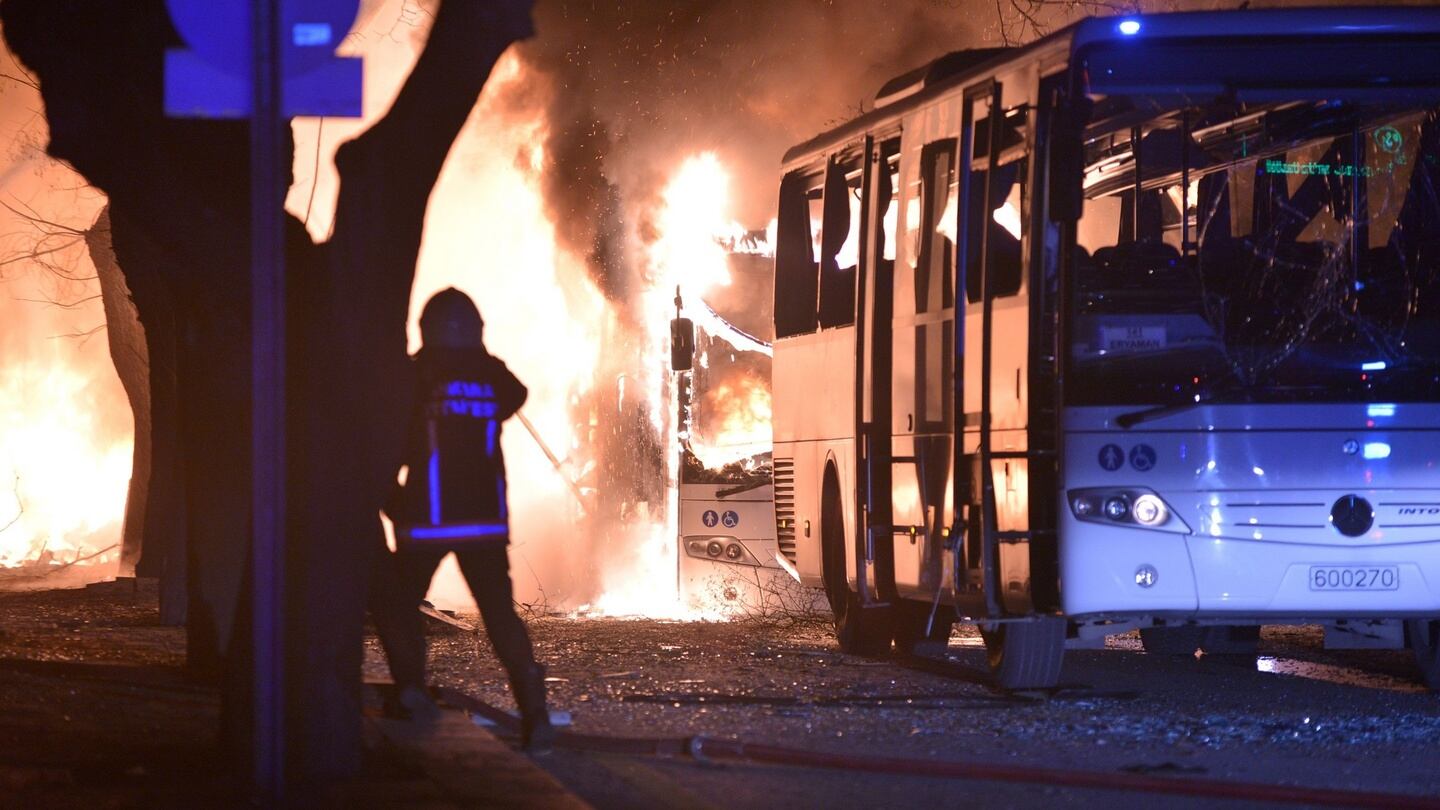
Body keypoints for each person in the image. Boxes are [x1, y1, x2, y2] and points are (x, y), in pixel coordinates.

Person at [372, 287, 556, 753]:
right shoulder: (491, 377)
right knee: (500, 616)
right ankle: (536, 716)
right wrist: (477, 363)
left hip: (426, 520)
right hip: (483, 523)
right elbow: (516, 394)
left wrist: (393, 504)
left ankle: (411, 690)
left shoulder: (413, 376)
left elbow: (387, 442)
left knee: (398, 606)